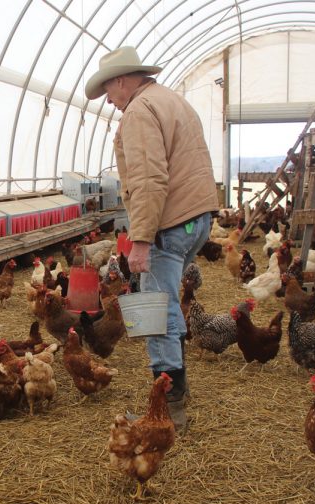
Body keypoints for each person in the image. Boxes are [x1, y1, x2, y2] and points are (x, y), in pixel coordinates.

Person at [86, 47, 218, 431]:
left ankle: (168, 407)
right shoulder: (172, 100)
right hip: (195, 219)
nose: (109, 100)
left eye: (108, 90)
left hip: (170, 221)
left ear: (122, 80)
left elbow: (148, 179)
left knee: (152, 310)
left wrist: (141, 239)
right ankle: (177, 389)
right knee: (167, 305)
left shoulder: (141, 112)